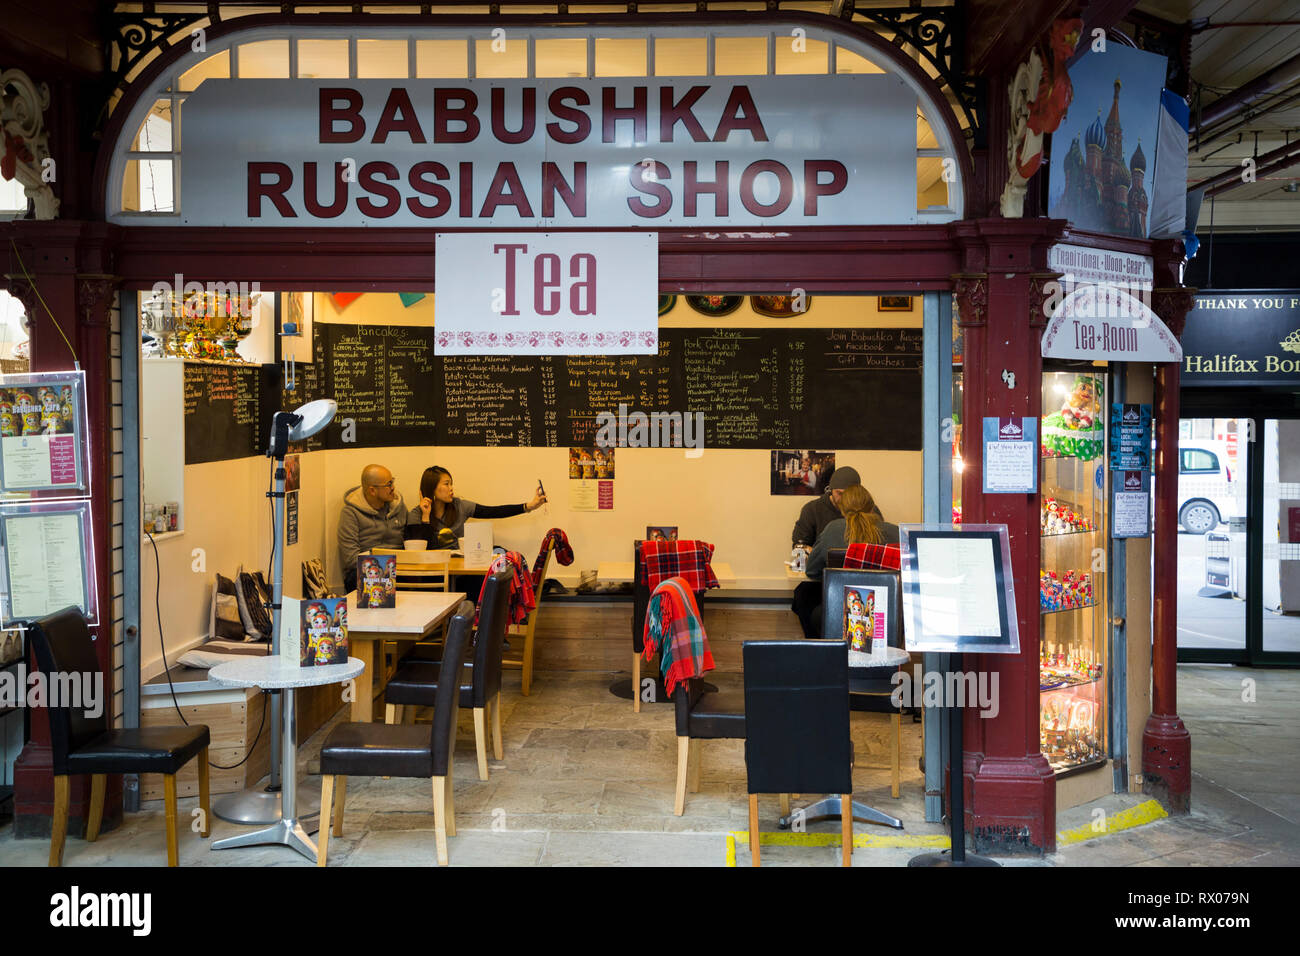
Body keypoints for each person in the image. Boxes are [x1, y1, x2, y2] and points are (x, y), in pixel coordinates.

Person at [791, 484, 900, 639]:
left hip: (843, 612)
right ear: (872, 507)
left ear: (842, 510)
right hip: (885, 612)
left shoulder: (832, 529)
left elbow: (812, 571)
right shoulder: (895, 532)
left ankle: (821, 648)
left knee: (805, 596)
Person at [404, 465, 546, 549]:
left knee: (503, 556)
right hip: (433, 573)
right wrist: (425, 517)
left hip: (461, 570)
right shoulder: (416, 514)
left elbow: (493, 511)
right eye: (446, 484)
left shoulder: (459, 506)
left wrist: (529, 506)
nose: (451, 488)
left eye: (451, 483)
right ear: (432, 488)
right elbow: (422, 551)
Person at [338, 464, 408, 593]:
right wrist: (385, 566)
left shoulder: (398, 508)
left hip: (400, 569)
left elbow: (410, 543)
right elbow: (350, 558)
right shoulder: (350, 513)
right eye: (388, 484)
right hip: (365, 571)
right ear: (372, 491)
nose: (393, 488)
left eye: (392, 482)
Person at [791, 465, 860, 547]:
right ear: (831, 489)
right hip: (821, 559)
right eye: (839, 493)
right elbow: (799, 545)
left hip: (856, 558)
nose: (844, 498)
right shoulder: (812, 509)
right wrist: (814, 553)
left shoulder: (868, 509)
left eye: (848, 494)